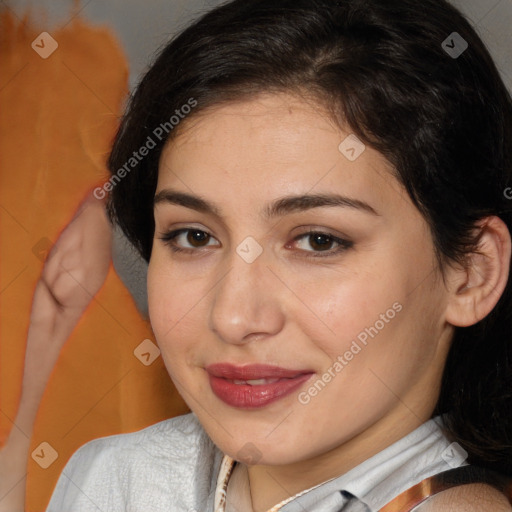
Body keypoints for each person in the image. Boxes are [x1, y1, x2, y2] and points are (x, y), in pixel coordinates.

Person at [45, 0, 512, 510]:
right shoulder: (111, 478)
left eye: (318, 240)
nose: (233, 317)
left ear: (471, 273)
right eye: (194, 237)